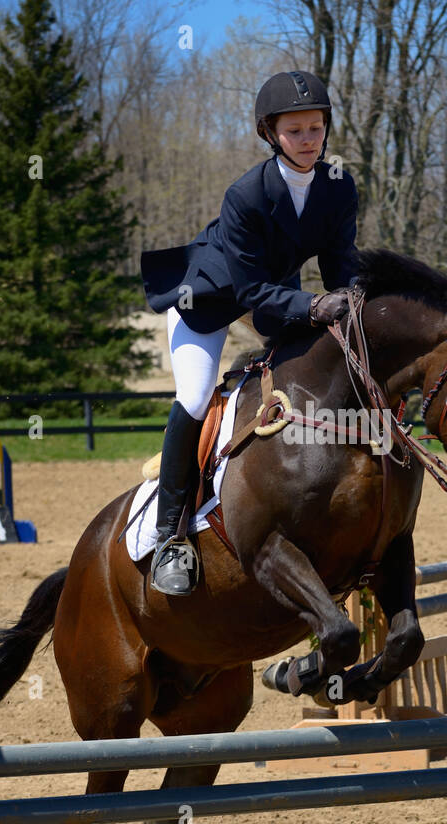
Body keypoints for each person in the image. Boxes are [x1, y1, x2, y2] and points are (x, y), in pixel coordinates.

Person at [139, 70, 360, 596]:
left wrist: (353, 306)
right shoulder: (245, 194)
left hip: (275, 296)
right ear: (270, 134)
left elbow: (341, 266)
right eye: (295, 131)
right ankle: (170, 537)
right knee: (194, 397)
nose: (309, 140)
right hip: (211, 299)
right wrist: (314, 304)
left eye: (316, 128)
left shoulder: (337, 185)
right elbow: (252, 291)